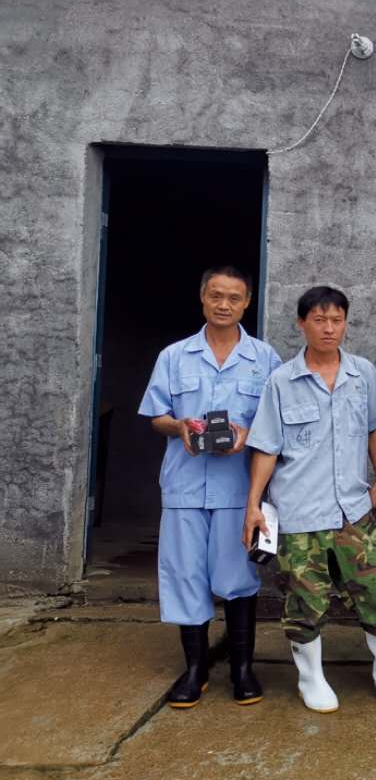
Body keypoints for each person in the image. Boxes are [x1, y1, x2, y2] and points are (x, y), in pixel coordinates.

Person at [242, 286, 376, 713]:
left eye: (336, 320)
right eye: (319, 320)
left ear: (345, 323)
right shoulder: (281, 382)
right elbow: (266, 447)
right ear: (302, 324)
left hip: (353, 509)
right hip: (299, 511)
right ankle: (311, 678)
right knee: (305, 599)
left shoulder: (363, 374)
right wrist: (253, 505)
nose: (329, 328)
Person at [139, 266, 283, 708]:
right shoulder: (174, 356)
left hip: (238, 488)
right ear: (202, 298)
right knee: (185, 574)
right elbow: (156, 414)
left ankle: (242, 669)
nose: (224, 305)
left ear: (247, 302)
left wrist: (247, 434)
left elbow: (277, 421)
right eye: (216, 295)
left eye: (234, 298)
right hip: (184, 485)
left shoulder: (265, 359)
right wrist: (179, 426)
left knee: (238, 576)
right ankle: (195, 670)